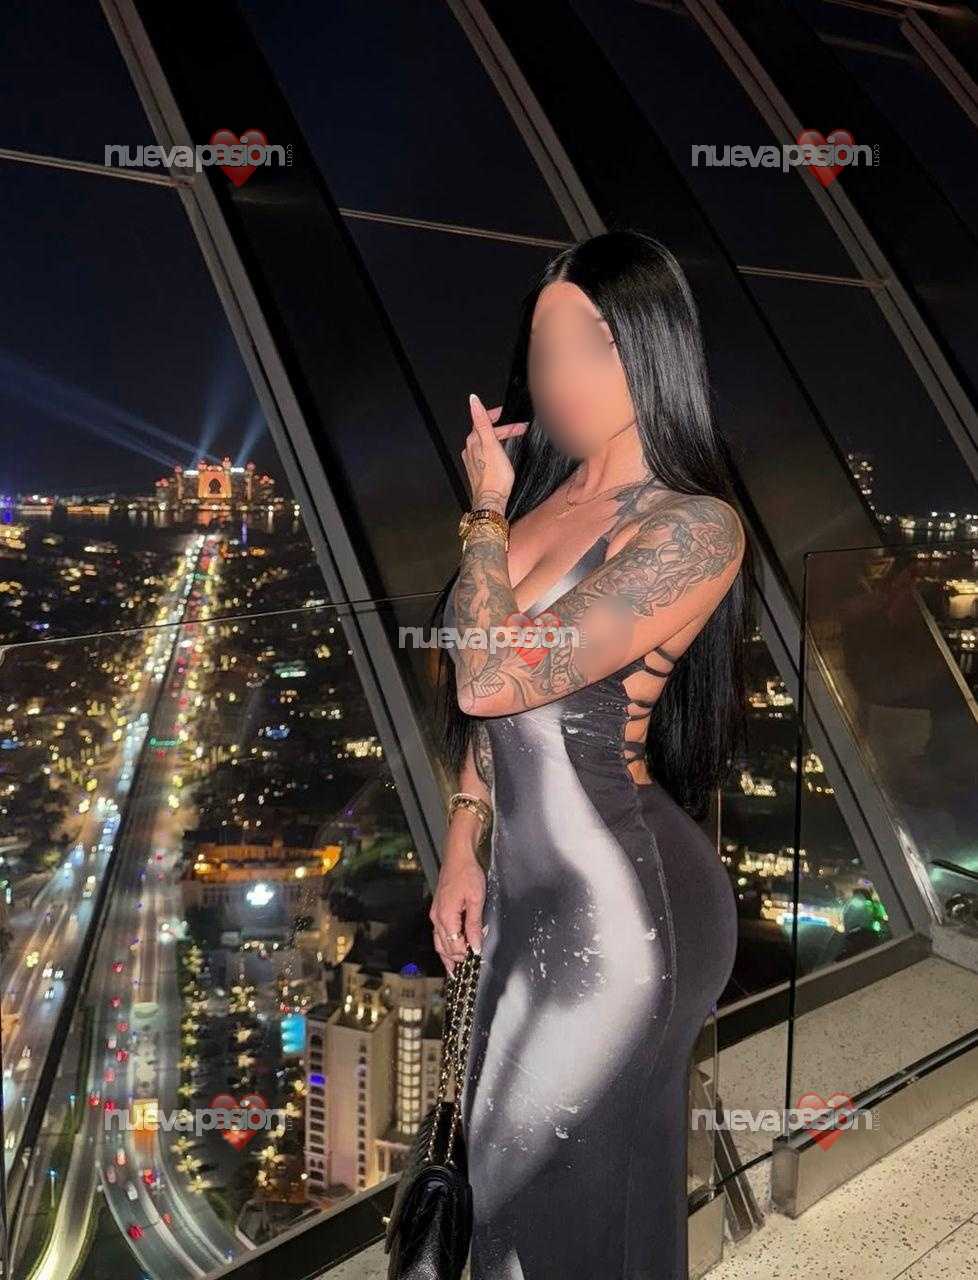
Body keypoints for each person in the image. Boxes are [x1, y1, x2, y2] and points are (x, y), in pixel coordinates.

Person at [431, 228, 750, 1279]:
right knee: (523, 1192)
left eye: (592, 344)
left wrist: (484, 509)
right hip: (525, 892)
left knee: (540, 1194)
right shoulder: (546, 506)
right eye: (544, 348)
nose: (559, 372)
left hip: (624, 902)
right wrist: (464, 840)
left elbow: (489, 677)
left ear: (653, 347)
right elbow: (494, 724)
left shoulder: (693, 527)